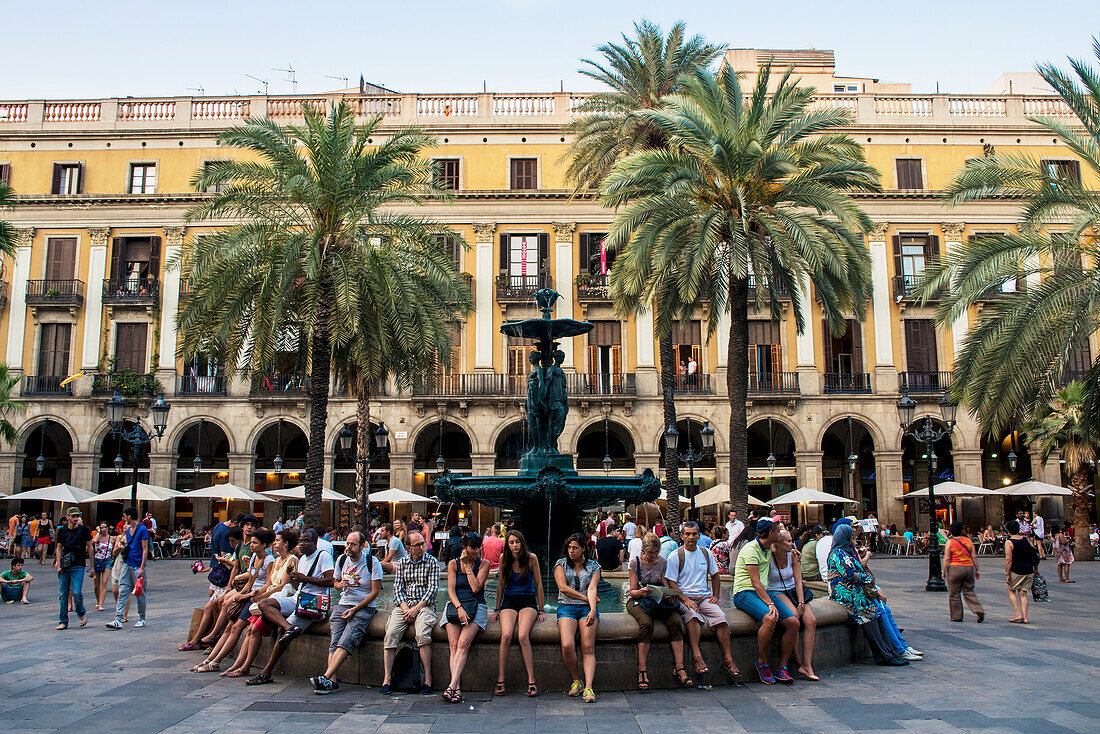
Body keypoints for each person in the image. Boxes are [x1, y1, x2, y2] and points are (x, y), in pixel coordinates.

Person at [246, 528, 335, 685]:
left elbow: (331, 581)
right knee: (264, 604)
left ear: (315, 543)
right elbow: (298, 584)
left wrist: (305, 578)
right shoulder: (302, 560)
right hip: (297, 598)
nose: (302, 544)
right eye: (300, 540)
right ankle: (289, 627)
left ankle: (266, 672)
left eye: (306, 540)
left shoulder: (323, 556)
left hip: (311, 603)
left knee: (282, 633)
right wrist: (293, 576)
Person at [219, 528, 300, 679]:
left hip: (275, 601)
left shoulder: (292, 560)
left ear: (285, 544)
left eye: (277, 540)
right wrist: (259, 594)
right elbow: (269, 582)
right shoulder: (276, 560)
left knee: (254, 630)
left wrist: (262, 596)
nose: (274, 543)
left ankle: (245, 666)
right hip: (267, 599)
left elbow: (283, 586)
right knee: (250, 629)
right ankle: (239, 665)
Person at [666, 521, 739, 686]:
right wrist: (685, 599)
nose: (691, 537)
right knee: (692, 617)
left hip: (704, 597)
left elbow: (715, 575)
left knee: (721, 618)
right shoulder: (676, 555)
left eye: (694, 534)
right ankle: (697, 656)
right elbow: (671, 581)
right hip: (684, 597)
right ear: (682, 536)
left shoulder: (706, 553)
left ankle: (728, 658)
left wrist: (716, 595)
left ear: (699, 535)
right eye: (688, 534)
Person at [193, 529, 276, 673]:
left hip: (255, 597)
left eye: (255, 543)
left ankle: (216, 661)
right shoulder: (255, 558)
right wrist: (241, 592)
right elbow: (251, 579)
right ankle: (211, 660)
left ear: (263, 545)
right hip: (248, 594)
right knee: (229, 627)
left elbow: (269, 583)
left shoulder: (269, 560)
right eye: (251, 543)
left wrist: (246, 595)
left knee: (236, 628)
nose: (251, 546)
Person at [310, 530, 383, 694]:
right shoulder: (342, 560)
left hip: (363, 607)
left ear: (362, 546)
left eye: (353, 544)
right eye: (347, 543)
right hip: (343, 604)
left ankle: (326, 677)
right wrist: (338, 586)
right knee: (334, 641)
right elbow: (335, 582)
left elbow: (374, 593)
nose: (348, 547)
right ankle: (331, 681)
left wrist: (355, 609)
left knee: (347, 639)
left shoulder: (372, 562)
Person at [826, 524, 908, 666]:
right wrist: (867, 579)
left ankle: (888, 651)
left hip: (853, 591)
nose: (853, 537)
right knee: (866, 612)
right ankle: (883, 654)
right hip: (845, 594)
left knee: (877, 611)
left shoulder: (845, 552)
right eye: (850, 535)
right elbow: (849, 574)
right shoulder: (838, 553)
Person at [731, 518, 796, 683]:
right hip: (744, 593)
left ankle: (782, 666)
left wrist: (794, 551)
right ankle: (762, 661)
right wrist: (770, 604)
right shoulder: (751, 550)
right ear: (771, 534)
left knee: (793, 623)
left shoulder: (769, 547)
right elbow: (755, 582)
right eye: (777, 530)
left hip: (762, 592)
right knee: (770, 617)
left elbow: (782, 547)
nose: (780, 533)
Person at [626, 532, 691, 689]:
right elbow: (632, 590)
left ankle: (680, 667)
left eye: (656, 552)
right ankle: (642, 669)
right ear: (643, 549)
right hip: (638, 600)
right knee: (646, 624)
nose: (654, 556)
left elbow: (664, 584)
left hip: (658, 601)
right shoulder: (635, 563)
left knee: (676, 621)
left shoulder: (662, 562)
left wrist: (669, 595)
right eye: (650, 552)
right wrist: (642, 593)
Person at [381, 531, 439, 695]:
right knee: (390, 633)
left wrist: (416, 608)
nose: (422, 547)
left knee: (422, 635)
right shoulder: (402, 563)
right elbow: (398, 589)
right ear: (408, 548)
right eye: (418, 545)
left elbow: (432, 590)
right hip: (404, 607)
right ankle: (387, 679)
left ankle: (428, 679)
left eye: (423, 543)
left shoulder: (432, 562)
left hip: (424, 605)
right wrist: (406, 609)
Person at [490, 530, 544, 697]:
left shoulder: (531, 558)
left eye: (517, 542)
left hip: (528, 601)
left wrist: (541, 609)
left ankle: (532, 680)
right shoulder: (503, 559)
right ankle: (501, 679)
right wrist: (497, 608)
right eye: (511, 542)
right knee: (506, 635)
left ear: (522, 543)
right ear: (507, 545)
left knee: (522, 635)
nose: (515, 545)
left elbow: (539, 584)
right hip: (509, 601)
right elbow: (500, 585)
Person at [441, 532, 491, 703]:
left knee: (463, 644)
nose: (476, 551)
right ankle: (457, 689)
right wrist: (459, 608)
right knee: (454, 645)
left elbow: (476, 588)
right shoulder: (453, 564)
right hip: (457, 606)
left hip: (477, 605)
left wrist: (468, 567)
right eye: (472, 547)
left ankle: (451, 686)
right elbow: (450, 591)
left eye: (478, 547)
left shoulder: (484, 564)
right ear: (465, 547)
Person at [766, 527, 818, 681]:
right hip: (776, 591)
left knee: (811, 621)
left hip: (794, 591)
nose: (793, 544)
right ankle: (797, 660)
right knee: (794, 617)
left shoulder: (793, 556)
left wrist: (801, 603)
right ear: (779, 544)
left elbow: (798, 581)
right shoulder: (768, 556)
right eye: (789, 541)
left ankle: (807, 664)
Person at [554, 533, 601, 703]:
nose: (571, 551)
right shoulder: (560, 564)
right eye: (569, 547)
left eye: (575, 548)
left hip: (586, 609)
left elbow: (592, 588)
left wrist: (592, 609)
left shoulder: (594, 567)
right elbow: (563, 588)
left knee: (588, 647)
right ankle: (576, 680)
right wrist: (586, 599)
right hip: (566, 607)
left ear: (583, 549)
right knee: (567, 645)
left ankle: (589, 686)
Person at [106, 507, 148, 630]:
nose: (124, 519)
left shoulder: (142, 529)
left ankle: (142, 618)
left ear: (129, 516)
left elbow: (145, 549)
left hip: (136, 566)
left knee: (140, 593)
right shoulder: (129, 530)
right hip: (127, 564)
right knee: (123, 590)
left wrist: (141, 567)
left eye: (125, 516)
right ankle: (118, 618)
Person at [54, 507, 93, 630]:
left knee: (76, 592)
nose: (76, 519)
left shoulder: (84, 530)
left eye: (77, 516)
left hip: (78, 564)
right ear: (68, 517)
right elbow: (59, 547)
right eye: (74, 516)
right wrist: (58, 563)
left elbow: (90, 547)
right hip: (65, 565)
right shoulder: (62, 531)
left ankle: (81, 612)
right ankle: (63, 621)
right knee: (63, 594)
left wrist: (92, 565)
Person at [944, 521, 984, 623]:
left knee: (954, 594)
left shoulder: (950, 542)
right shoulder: (968, 541)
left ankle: (956, 616)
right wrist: (977, 570)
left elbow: (947, 558)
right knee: (969, 591)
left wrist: (943, 571)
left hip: (955, 568)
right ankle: (978, 609)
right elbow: (974, 556)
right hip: (968, 567)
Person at [1004, 519, 1039, 624]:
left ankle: (1017, 614)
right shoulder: (1025, 540)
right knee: (1023, 593)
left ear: (1008, 531)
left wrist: (1007, 573)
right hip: (1029, 569)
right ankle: (1025, 617)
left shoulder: (1009, 542)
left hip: (1017, 570)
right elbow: (1034, 553)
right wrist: (1036, 569)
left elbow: (1008, 559)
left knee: (1011, 590)